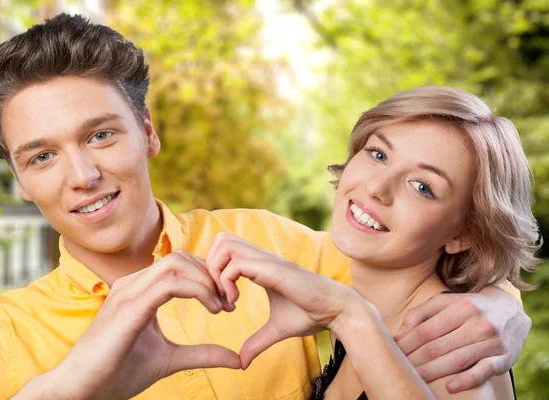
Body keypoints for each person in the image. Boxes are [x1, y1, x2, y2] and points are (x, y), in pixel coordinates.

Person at [0, 14, 531, 400]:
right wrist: (71, 386)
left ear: (147, 133)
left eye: (101, 135)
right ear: (20, 181)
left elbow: (410, 265)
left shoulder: (268, 246)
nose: (83, 175)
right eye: (43, 156)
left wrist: (494, 305)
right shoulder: (5, 340)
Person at [203, 86, 540, 399]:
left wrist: (348, 312)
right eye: (378, 155)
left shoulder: (451, 354)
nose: (378, 187)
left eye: (422, 186)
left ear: (463, 235)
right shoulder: (357, 326)